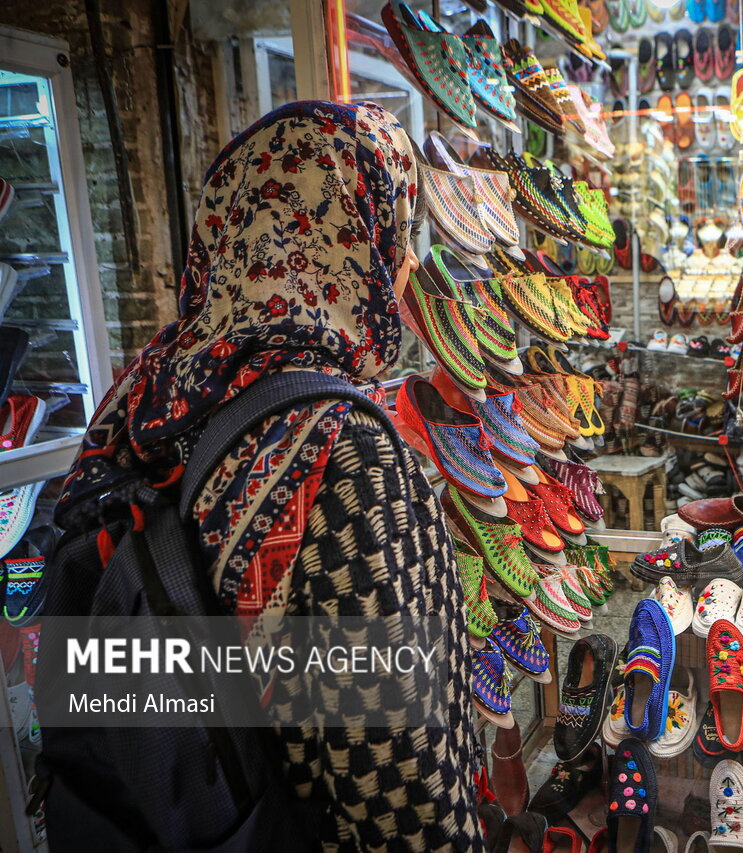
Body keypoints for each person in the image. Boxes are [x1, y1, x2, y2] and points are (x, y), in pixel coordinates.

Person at [56, 100, 484, 850]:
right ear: (348, 243)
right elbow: (402, 791)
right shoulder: (348, 454)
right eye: (395, 233)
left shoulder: (152, 399)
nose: (408, 262)